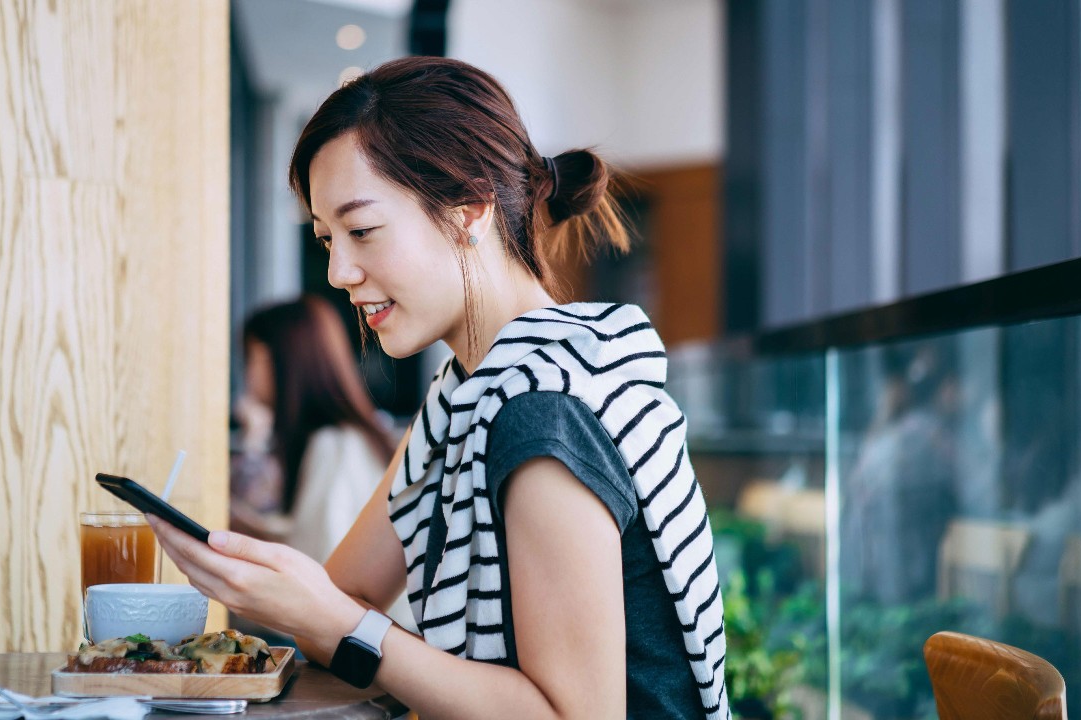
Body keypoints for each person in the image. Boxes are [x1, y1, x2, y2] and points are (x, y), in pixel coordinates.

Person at [151, 56, 728, 719]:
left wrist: (334, 617)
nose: (339, 270)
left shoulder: (542, 412)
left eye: (362, 230)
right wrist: (278, 592)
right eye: (326, 239)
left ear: (469, 209)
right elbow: (349, 594)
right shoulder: (465, 399)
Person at [230, 295, 396, 565]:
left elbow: (319, 559)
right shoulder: (343, 438)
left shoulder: (334, 444)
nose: (247, 374)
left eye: (251, 357)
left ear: (283, 360)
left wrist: (252, 441)